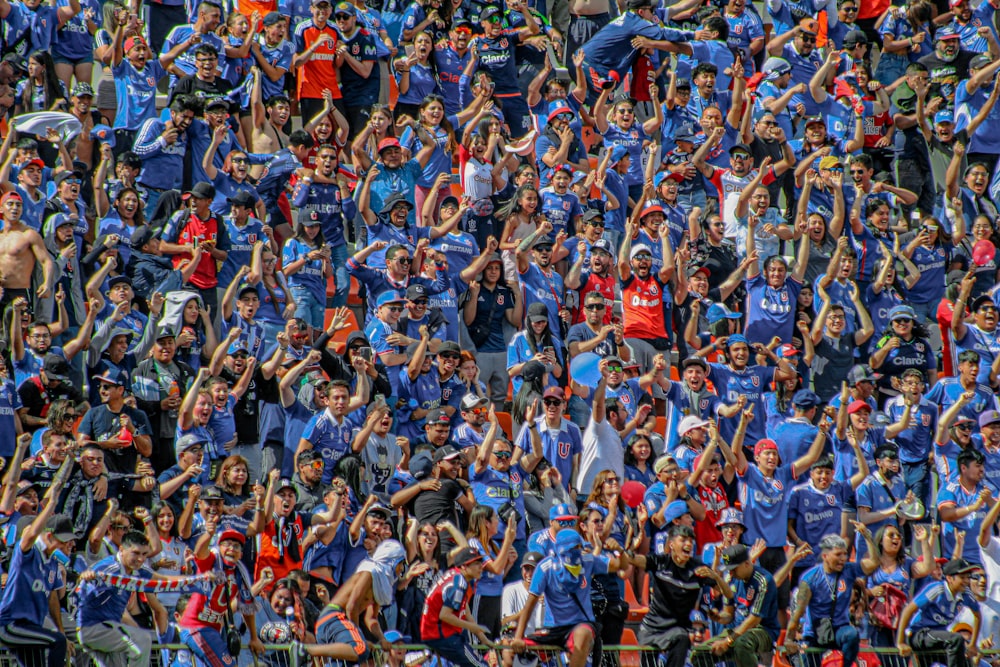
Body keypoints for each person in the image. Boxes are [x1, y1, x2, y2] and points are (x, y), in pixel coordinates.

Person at [629, 524, 733, 667]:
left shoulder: (698, 569)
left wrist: (716, 576)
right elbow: (633, 560)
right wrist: (626, 548)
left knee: (682, 638)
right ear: (671, 544)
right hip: (651, 629)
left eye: (691, 540)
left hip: (676, 630)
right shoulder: (661, 562)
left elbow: (727, 593)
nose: (688, 544)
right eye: (683, 540)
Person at [896, 558, 982, 667]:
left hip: (940, 640)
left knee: (965, 659)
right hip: (919, 634)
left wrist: (973, 644)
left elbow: (978, 615)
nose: (966, 581)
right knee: (956, 639)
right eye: (962, 577)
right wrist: (901, 642)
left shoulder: (966, 594)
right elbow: (908, 610)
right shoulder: (938, 589)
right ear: (950, 578)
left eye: (968, 577)